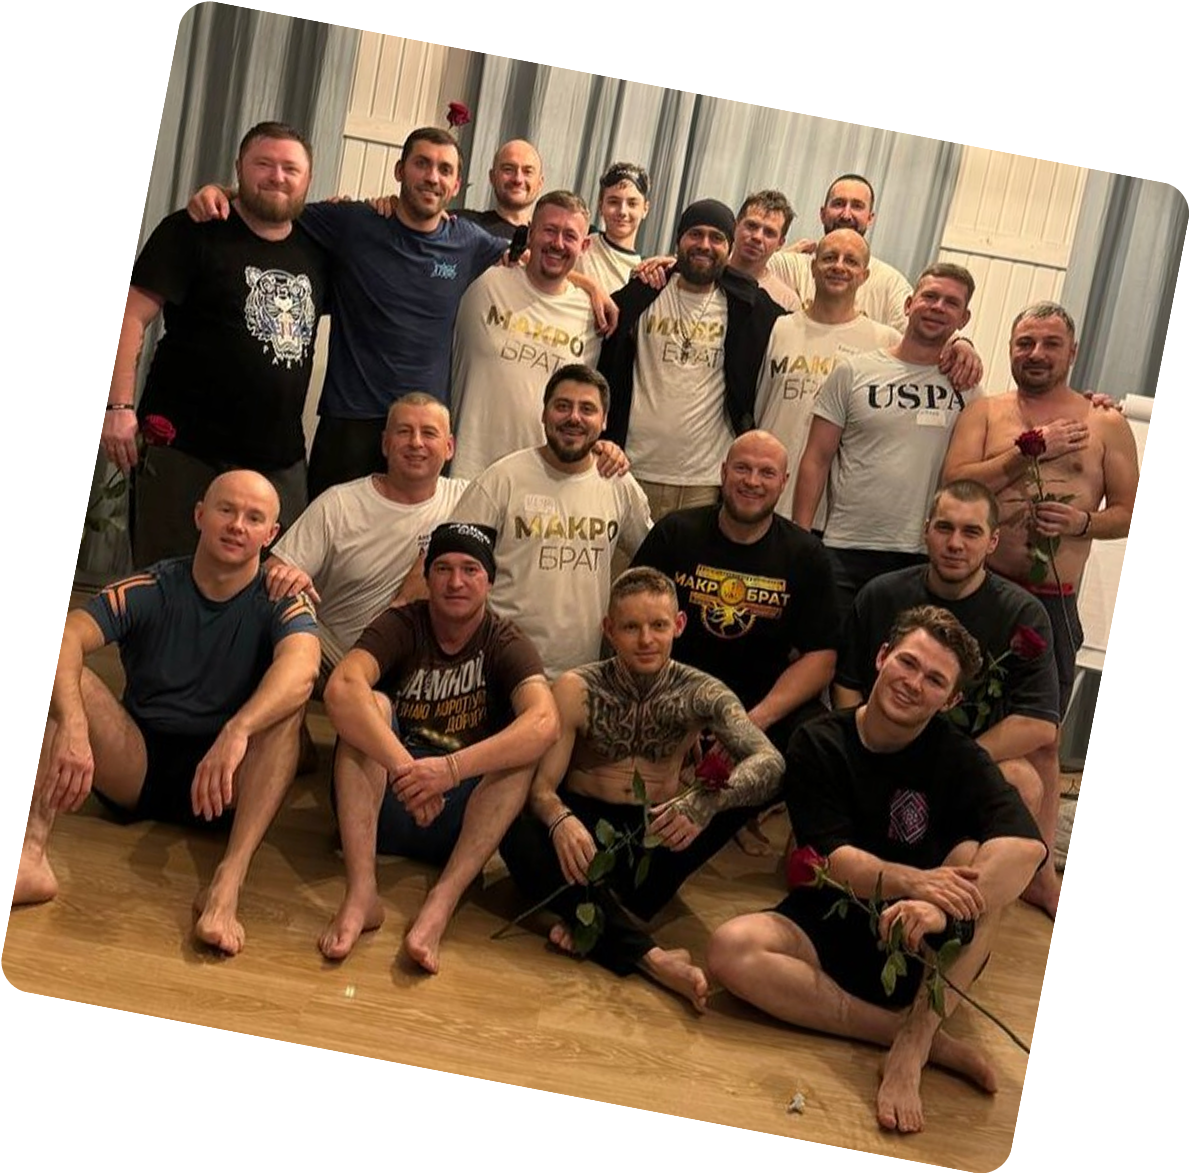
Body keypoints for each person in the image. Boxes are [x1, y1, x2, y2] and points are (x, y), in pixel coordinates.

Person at [707, 605, 1047, 1134]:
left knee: (971, 861)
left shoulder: (958, 757)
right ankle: (909, 1035)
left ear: (950, 701)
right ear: (882, 656)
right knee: (729, 949)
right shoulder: (819, 741)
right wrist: (918, 883)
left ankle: (914, 1043)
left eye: (934, 679)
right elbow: (835, 862)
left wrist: (939, 909)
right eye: (908, 663)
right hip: (832, 915)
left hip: (923, 946)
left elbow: (1026, 848)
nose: (913, 683)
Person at [15, 471, 321, 957]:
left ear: (271, 534)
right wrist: (73, 724)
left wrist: (238, 729)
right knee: (70, 683)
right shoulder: (153, 586)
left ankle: (226, 885)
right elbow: (68, 635)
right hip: (138, 764)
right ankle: (31, 855)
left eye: (253, 517)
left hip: (226, 780)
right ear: (200, 515)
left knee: (288, 710)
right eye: (226, 510)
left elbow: (303, 668)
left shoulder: (280, 597)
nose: (237, 525)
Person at [500, 567, 785, 1010]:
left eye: (658, 625)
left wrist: (705, 801)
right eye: (631, 627)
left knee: (738, 793)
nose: (646, 639)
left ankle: (593, 917)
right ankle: (652, 958)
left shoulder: (701, 692)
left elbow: (772, 762)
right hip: (584, 832)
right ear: (609, 629)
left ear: (679, 625)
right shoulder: (576, 688)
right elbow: (542, 790)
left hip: (660, 829)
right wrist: (560, 821)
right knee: (514, 832)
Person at [318, 522, 559, 974]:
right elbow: (341, 687)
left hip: (459, 819)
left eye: (470, 569)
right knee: (369, 705)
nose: (455, 581)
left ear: (490, 581)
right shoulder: (401, 624)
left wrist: (447, 771)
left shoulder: (504, 639)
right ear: (427, 577)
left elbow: (545, 722)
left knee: (523, 751)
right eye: (443, 568)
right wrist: (406, 770)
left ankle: (441, 903)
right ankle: (361, 894)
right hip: (384, 801)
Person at [834, 480, 1062, 916]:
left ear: (993, 541)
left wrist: (950, 762)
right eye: (944, 528)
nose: (955, 543)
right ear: (926, 531)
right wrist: (858, 749)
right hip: (881, 752)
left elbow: (1038, 723)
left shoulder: (1022, 613)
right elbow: (847, 683)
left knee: (1024, 780)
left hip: (963, 761)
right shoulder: (881, 594)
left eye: (971, 532)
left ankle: (960, 917)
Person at [108, 121, 330, 564]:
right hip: (186, 449)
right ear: (239, 168)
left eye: (290, 168)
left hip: (279, 458)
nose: (277, 176)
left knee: (270, 585)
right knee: (166, 578)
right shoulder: (192, 229)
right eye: (263, 164)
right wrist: (118, 407)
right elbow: (132, 317)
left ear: (308, 179)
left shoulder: (320, 248)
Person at [941, 301, 1139, 720]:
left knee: (1037, 729)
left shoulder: (1105, 422)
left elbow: (1126, 513)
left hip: (1053, 603)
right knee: (952, 715)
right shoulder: (984, 412)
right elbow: (955, 487)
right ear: (1010, 348)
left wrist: (1083, 522)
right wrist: (1028, 450)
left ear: (1073, 352)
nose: (1036, 353)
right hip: (978, 588)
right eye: (1025, 343)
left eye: (1051, 344)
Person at [632, 430, 839, 766]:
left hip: (762, 708)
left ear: (784, 482)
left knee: (818, 737)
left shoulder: (806, 554)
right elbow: (631, 622)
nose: (752, 481)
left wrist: (750, 724)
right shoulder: (675, 533)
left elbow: (822, 658)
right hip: (672, 698)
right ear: (723, 472)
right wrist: (672, 708)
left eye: (767, 472)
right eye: (742, 468)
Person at [791, 263, 982, 614]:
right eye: (930, 297)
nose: (938, 307)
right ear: (909, 304)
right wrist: (801, 540)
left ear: (964, 318)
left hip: (923, 554)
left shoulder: (967, 387)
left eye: (951, 303)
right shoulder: (853, 372)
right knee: (830, 645)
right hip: (845, 547)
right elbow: (816, 458)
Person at [451, 364, 652, 679]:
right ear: (544, 414)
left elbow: (652, 554)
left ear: (604, 421)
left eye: (587, 409)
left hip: (583, 675)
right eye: (563, 406)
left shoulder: (618, 483)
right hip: (500, 668)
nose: (574, 417)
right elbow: (451, 559)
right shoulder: (502, 479)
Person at [598, 199, 785, 522]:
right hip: (629, 469)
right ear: (679, 240)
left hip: (705, 480)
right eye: (695, 234)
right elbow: (598, 313)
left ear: (729, 247)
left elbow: (803, 325)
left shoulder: (748, 308)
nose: (705, 245)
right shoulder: (643, 294)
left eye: (717, 238)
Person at [264, 394, 468, 678]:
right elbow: (271, 573)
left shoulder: (468, 499)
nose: (416, 442)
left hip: (418, 668)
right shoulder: (339, 505)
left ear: (449, 447)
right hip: (332, 657)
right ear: (385, 443)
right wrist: (285, 578)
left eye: (429, 433)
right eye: (404, 431)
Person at [450, 191, 602, 480]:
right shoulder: (481, 280)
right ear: (530, 233)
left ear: (584, 246)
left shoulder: (592, 316)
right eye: (549, 230)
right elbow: (431, 229)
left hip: (539, 481)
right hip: (466, 471)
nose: (558, 243)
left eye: (570, 236)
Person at [754, 228, 901, 525]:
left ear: (865, 275)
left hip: (833, 513)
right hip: (767, 498)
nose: (838, 266)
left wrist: (961, 345)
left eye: (851, 261)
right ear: (813, 266)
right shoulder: (780, 327)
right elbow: (761, 406)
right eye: (830, 257)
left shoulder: (884, 341)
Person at [768, 173, 912, 331]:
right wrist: (780, 253)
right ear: (823, 214)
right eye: (838, 204)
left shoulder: (892, 284)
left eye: (857, 206)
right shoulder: (791, 266)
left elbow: (910, 337)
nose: (846, 215)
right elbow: (751, 271)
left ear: (870, 218)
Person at [574, 162, 651, 293]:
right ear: (600, 206)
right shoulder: (579, 243)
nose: (622, 211)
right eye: (614, 202)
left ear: (645, 209)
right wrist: (591, 287)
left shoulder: (646, 273)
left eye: (632, 203)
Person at [726, 190, 802, 311]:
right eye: (751, 226)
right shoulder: (709, 275)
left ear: (780, 243)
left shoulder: (787, 302)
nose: (757, 237)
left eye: (769, 232)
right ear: (735, 226)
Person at [456, 139, 544, 240]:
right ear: (492, 177)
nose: (518, 179)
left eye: (528, 172)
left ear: (540, 183)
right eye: (508, 169)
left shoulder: (547, 241)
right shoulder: (460, 225)